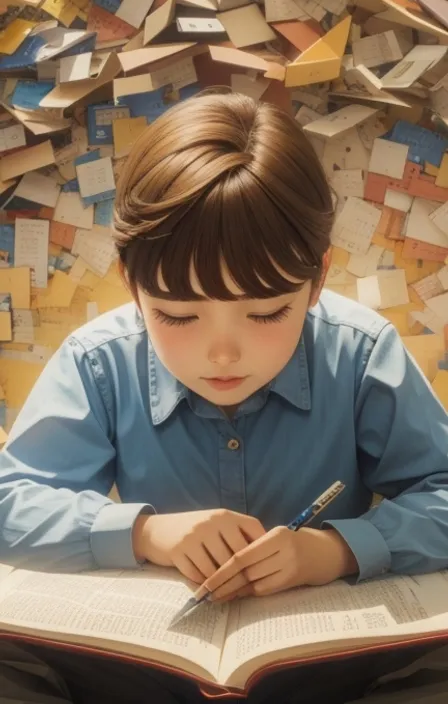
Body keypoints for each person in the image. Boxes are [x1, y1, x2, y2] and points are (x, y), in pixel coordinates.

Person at [0, 89, 447, 703]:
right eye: (178, 317)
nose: (223, 354)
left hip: (327, 681)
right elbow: (11, 500)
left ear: (317, 280)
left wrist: (336, 549)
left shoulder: (362, 351)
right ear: (132, 283)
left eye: (266, 313)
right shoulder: (99, 359)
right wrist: (144, 536)